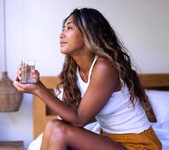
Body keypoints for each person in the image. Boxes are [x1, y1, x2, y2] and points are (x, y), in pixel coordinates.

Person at [13, 7, 162, 150]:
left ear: (88, 34)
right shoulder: (74, 71)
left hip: (138, 144)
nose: (61, 34)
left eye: (69, 28)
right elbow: (68, 118)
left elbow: (79, 120)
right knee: (53, 126)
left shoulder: (105, 68)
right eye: (63, 29)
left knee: (59, 132)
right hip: (109, 140)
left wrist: (38, 89)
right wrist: (36, 84)